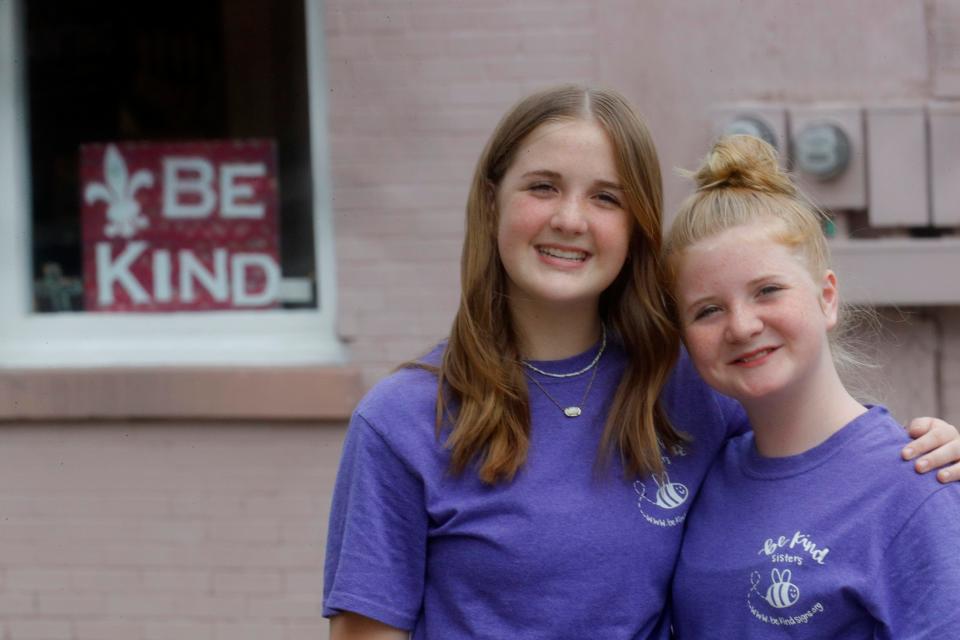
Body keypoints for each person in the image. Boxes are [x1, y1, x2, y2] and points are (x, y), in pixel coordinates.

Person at [323, 86, 960, 640]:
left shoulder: (695, 388)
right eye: (542, 187)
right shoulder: (403, 420)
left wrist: (933, 463)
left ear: (636, 226)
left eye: (606, 197)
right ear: (492, 202)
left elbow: (821, 460)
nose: (570, 219)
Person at [665, 135, 960, 638]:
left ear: (826, 298)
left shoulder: (914, 486)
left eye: (767, 291)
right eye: (707, 310)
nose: (741, 326)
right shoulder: (704, 475)